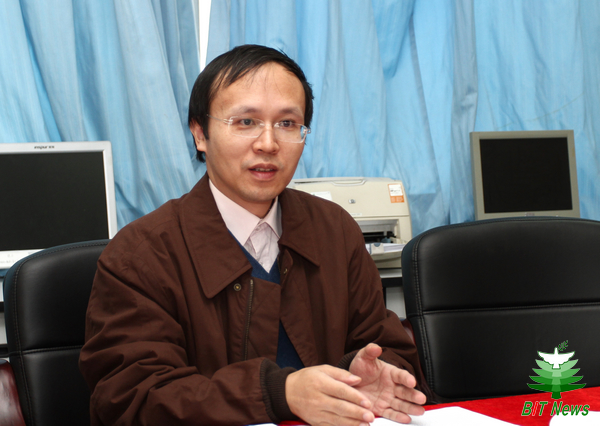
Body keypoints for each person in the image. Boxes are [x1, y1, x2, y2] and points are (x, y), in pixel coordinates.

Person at [80, 44, 427, 426]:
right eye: (246, 122)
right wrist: (279, 393)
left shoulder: (334, 230)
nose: (268, 143)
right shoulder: (141, 254)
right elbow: (134, 400)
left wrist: (366, 374)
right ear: (200, 134)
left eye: (287, 124)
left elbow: (389, 347)